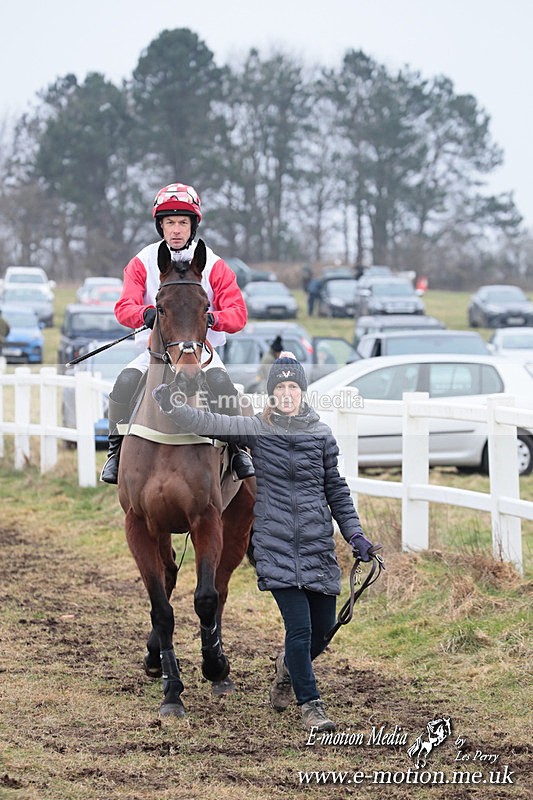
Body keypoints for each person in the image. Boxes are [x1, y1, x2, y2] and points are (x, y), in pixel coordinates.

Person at [152, 353, 381, 733]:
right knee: (301, 630)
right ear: (272, 394)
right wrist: (173, 405)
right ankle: (312, 707)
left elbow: (337, 491)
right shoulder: (257, 429)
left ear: (302, 392)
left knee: (323, 628)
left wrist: (355, 534)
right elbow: (210, 421)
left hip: (317, 547)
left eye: (293, 387)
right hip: (276, 547)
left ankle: (288, 668)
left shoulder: (321, 435)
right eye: (280, 387)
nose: (287, 393)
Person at [100, 182, 254, 484]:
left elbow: (239, 315)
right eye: (169, 222)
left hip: (201, 353)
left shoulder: (216, 265)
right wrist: (143, 313)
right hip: (157, 352)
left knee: (225, 388)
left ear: (192, 224)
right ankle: (115, 453)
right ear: (161, 225)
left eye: (183, 222)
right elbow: (123, 306)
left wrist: (212, 319)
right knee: (123, 383)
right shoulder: (141, 262)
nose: (176, 229)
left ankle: (238, 452)